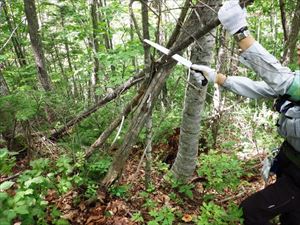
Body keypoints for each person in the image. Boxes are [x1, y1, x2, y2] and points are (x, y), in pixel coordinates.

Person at [191, 1, 300, 225]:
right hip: (290, 166)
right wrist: (215, 77)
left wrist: (240, 32)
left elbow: (281, 81)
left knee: (250, 211)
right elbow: (260, 88)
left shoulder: (294, 84)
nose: (298, 48)